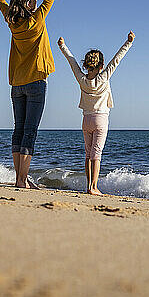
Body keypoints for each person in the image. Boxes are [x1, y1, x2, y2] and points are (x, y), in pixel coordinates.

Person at [0, 0, 71, 189]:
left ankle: (18, 178)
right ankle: (22, 180)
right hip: (36, 83)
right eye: (33, 0)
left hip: (17, 84)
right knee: (29, 132)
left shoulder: (11, 22)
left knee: (18, 131)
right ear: (29, 4)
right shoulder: (37, 18)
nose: (36, 1)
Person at [57, 31, 134, 195]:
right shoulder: (104, 77)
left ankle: (88, 186)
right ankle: (94, 187)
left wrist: (63, 46)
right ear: (101, 66)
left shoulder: (82, 79)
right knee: (96, 154)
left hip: (86, 120)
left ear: (85, 65)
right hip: (101, 119)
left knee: (88, 154)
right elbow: (117, 60)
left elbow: (71, 61)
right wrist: (128, 42)